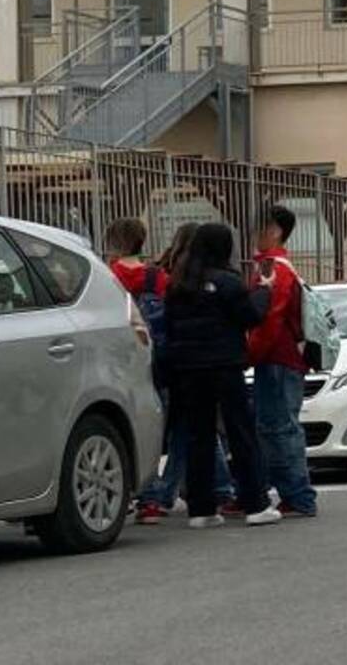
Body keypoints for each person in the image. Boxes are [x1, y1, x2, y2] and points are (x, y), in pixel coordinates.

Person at [163, 223, 279, 527]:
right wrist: (265, 291)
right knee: (240, 432)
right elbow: (250, 316)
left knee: (198, 436)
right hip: (225, 365)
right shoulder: (228, 282)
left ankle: (201, 509)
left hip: (188, 368)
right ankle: (256, 504)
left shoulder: (178, 284)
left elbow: (170, 327)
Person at [127, 222, 238, 524]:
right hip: (194, 363)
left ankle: (157, 495)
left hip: (153, 361)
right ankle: (216, 487)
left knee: (172, 430)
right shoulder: (186, 279)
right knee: (194, 431)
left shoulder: (154, 274)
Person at [247, 205, 318, 518]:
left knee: (279, 427)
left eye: (259, 227)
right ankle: (294, 493)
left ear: (274, 230)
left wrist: (249, 353)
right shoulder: (281, 265)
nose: (254, 233)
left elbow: (269, 318)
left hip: (276, 357)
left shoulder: (272, 268)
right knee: (279, 426)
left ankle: (298, 494)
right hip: (284, 357)